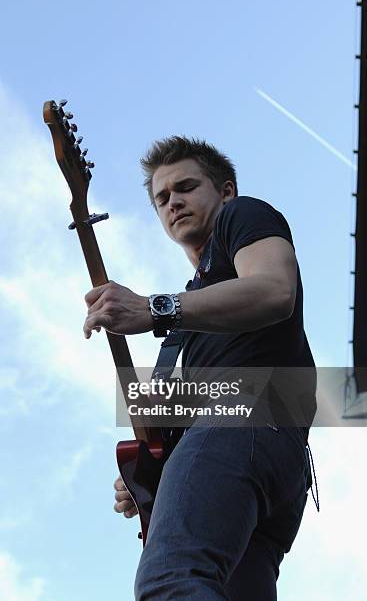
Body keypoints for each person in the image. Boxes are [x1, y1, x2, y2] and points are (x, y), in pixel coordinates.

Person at [83, 136, 316, 600]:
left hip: (246, 423)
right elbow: (177, 432)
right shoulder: (192, 319)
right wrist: (150, 480)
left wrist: (155, 308)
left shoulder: (241, 216)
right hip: (268, 463)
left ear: (225, 191)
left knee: (169, 582)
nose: (174, 202)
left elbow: (273, 290)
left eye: (186, 187)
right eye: (162, 198)